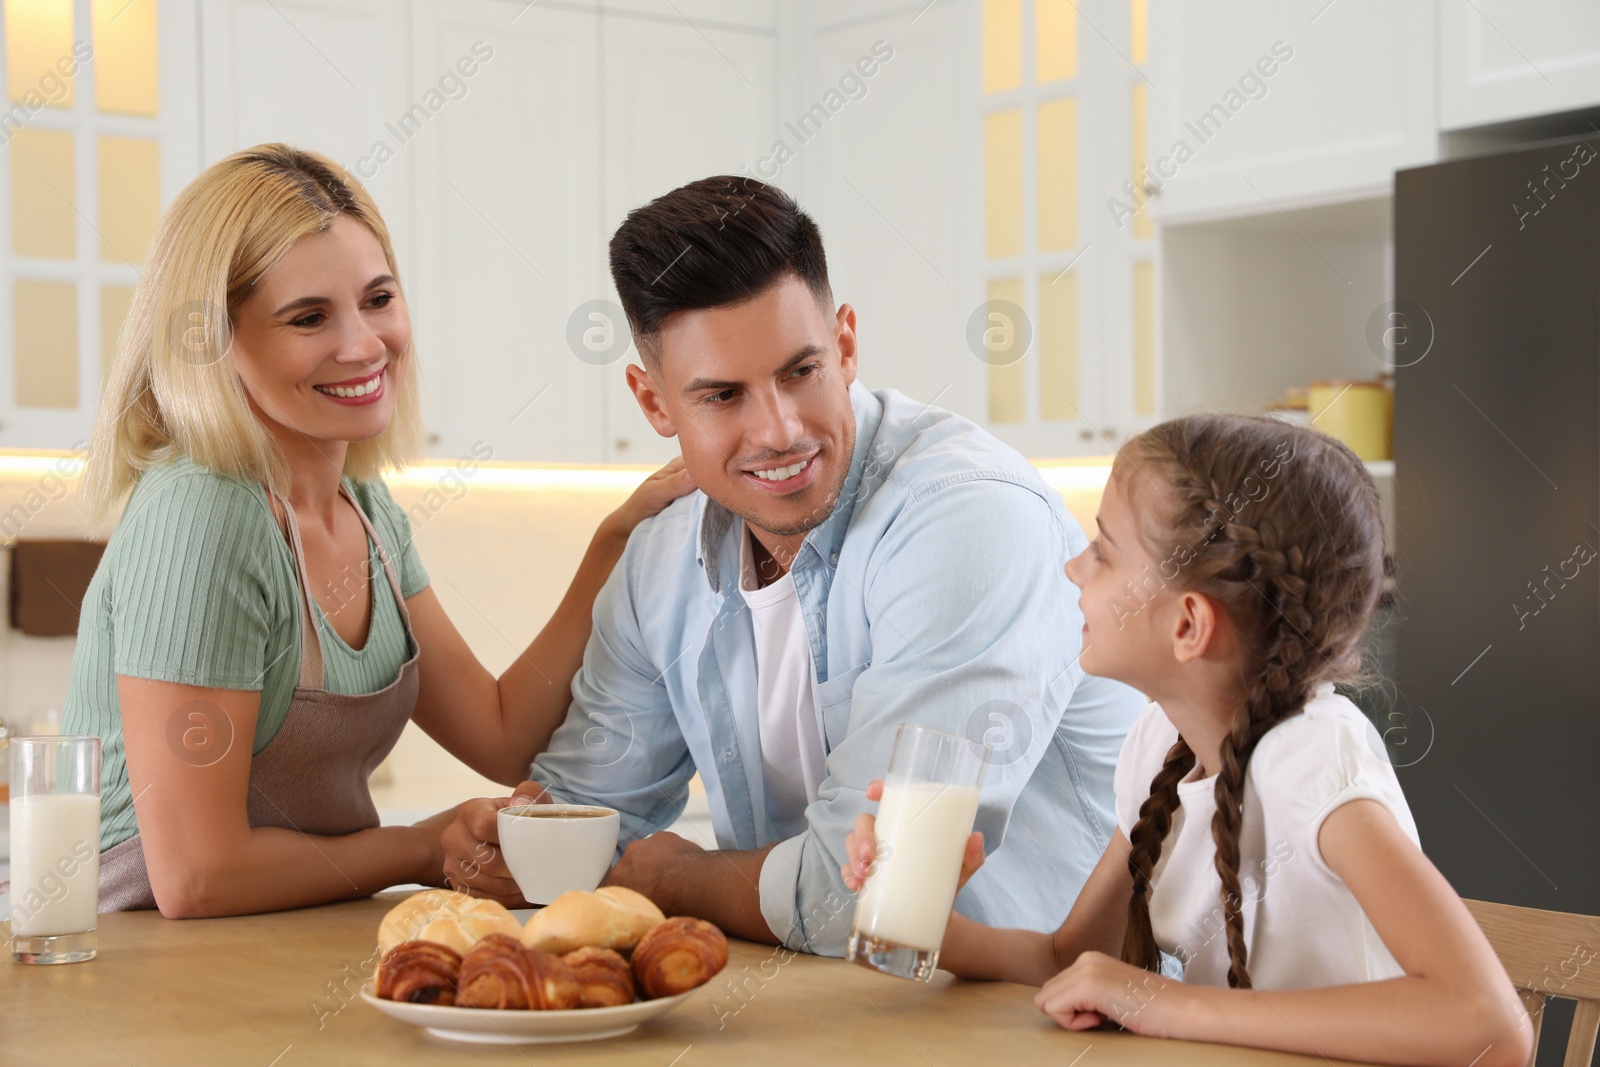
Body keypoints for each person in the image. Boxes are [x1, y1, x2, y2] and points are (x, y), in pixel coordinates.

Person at [440, 176, 1146, 954]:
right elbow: (577, 828)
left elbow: (883, 895)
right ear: (654, 403)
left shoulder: (968, 521)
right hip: (826, 1013)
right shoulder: (660, 561)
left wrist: (680, 880)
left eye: (800, 371)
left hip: (1050, 1018)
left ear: (845, 345)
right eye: (722, 395)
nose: (777, 430)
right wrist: (510, 847)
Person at [64, 144, 693, 918]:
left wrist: (614, 542)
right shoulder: (202, 513)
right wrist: (421, 846)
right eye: (308, 317)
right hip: (132, 965)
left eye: (378, 298)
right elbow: (197, 876)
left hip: (280, 944)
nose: (364, 344)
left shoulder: (367, 509)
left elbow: (501, 734)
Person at [841, 414, 1531, 1065]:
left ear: (1189, 625)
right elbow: (1067, 958)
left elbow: (1492, 1026)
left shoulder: (1313, 758)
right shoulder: (1160, 745)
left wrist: (1167, 1003)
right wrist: (918, 915)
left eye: (1103, 553)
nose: (1073, 569)